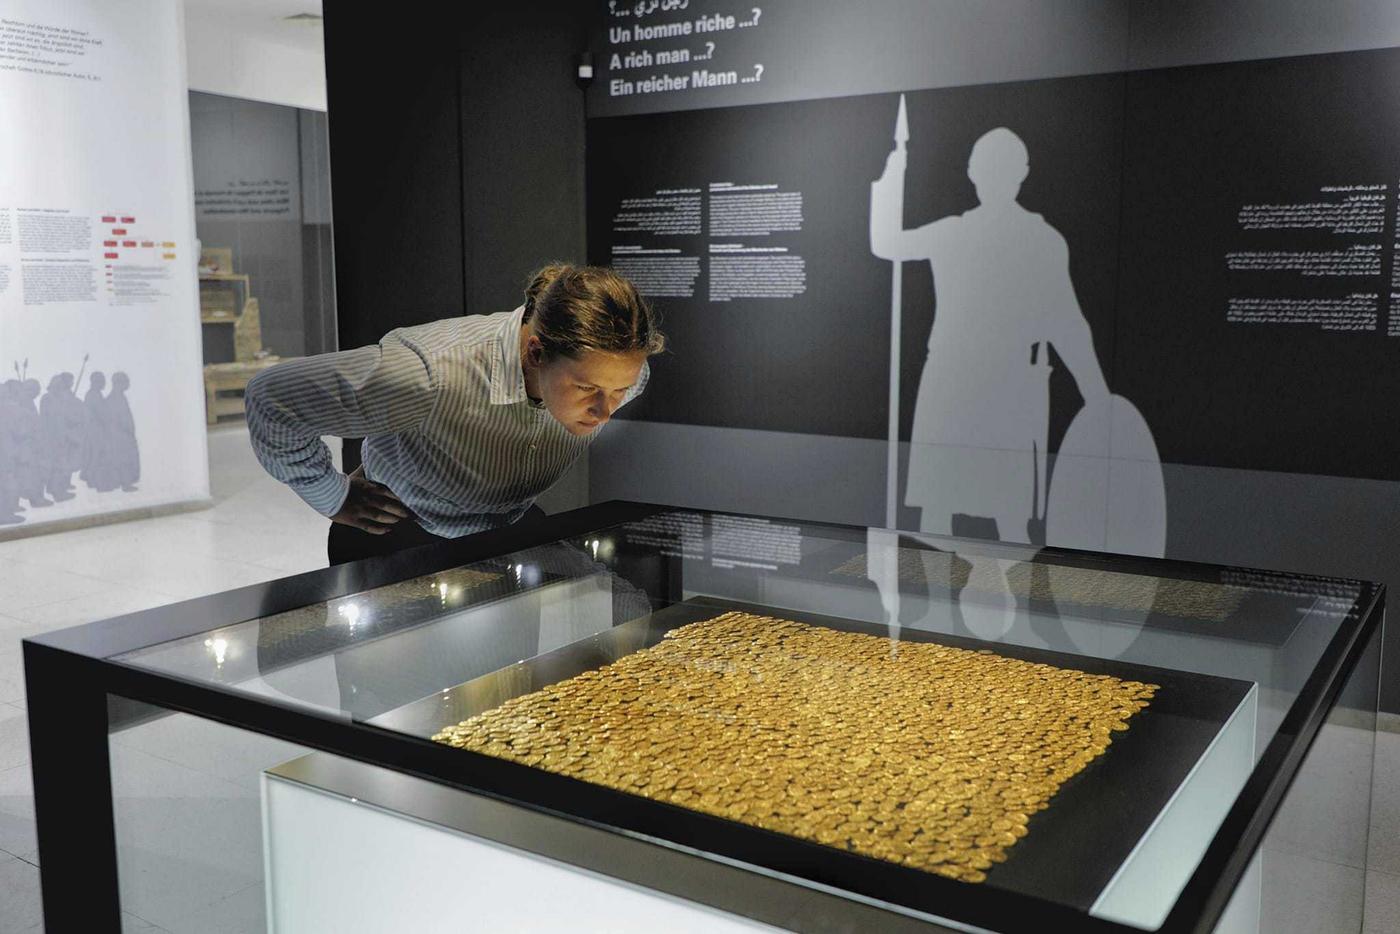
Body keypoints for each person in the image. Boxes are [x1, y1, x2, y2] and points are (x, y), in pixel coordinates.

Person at [245, 264, 665, 566]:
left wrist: (605, 388)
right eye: (587, 389)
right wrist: (332, 495)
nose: (604, 411)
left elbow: (614, 385)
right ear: (536, 352)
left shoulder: (626, 373)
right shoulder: (430, 374)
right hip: (400, 538)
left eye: (619, 391)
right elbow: (273, 399)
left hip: (506, 534)